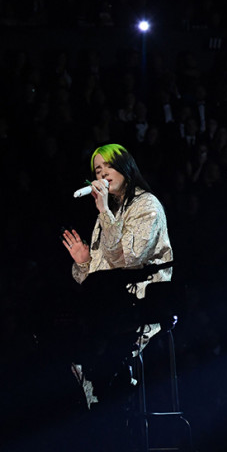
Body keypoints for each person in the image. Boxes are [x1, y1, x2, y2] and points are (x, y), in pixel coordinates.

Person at [61, 143, 173, 408]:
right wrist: (85, 262)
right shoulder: (107, 215)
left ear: (126, 167)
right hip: (112, 304)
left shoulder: (147, 205)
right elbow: (99, 273)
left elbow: (129, 258)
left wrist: (104, 212)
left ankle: (112, 402)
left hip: (143, 303)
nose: (103, 174)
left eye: (109, 166)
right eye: (98, 170)